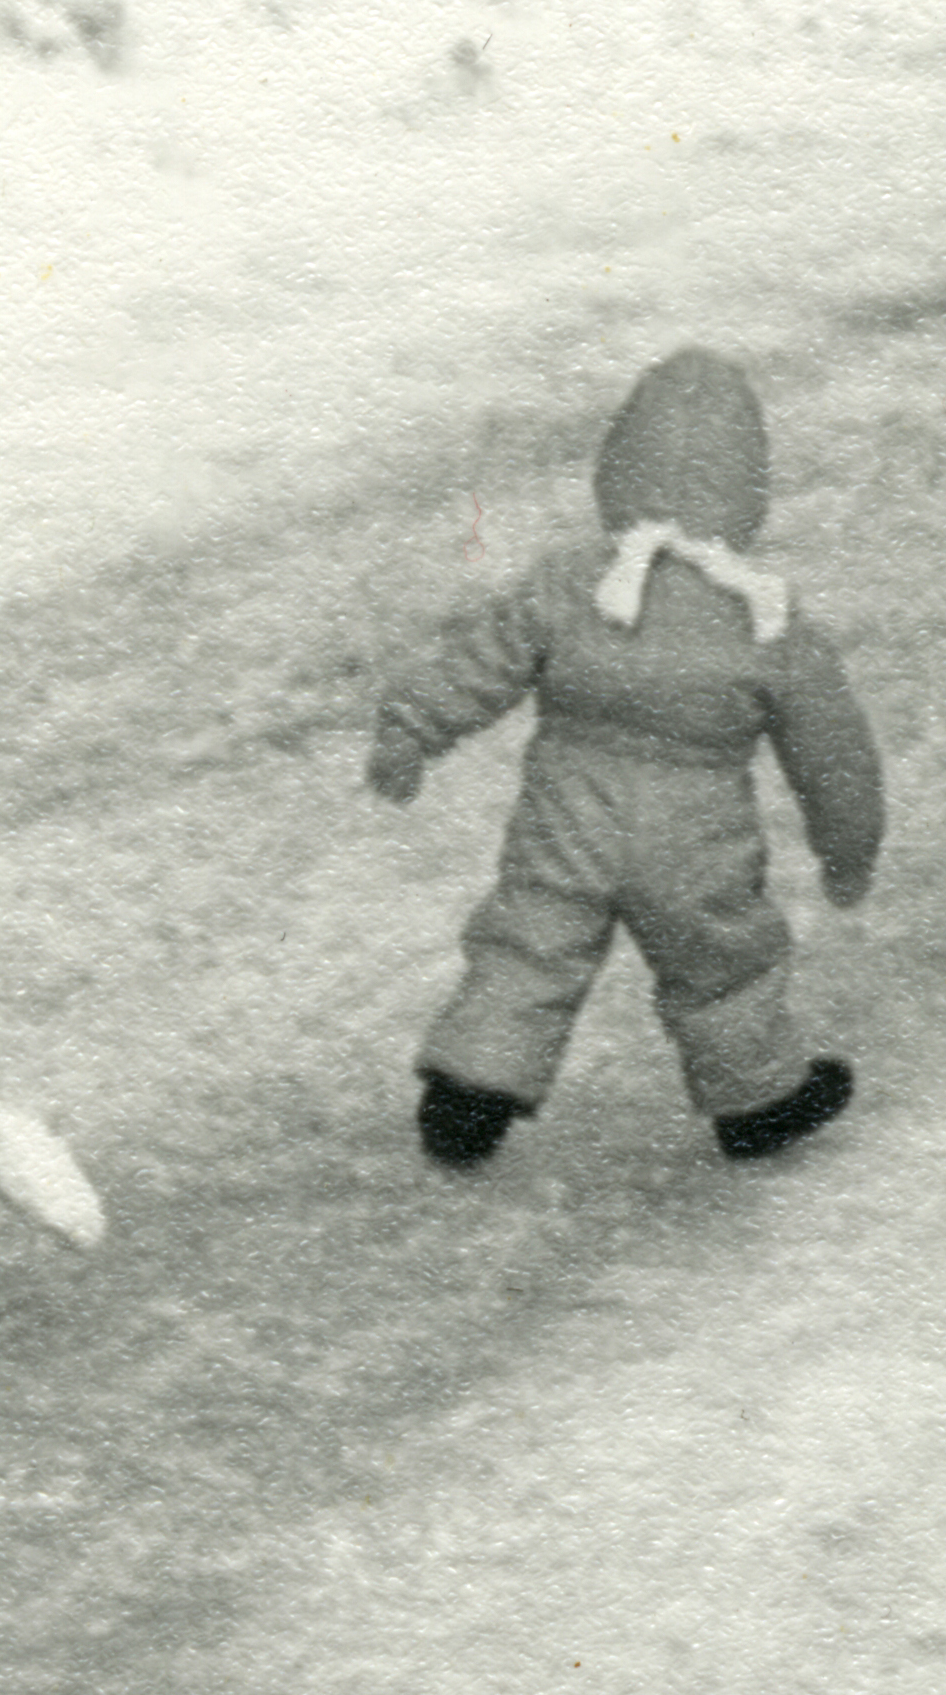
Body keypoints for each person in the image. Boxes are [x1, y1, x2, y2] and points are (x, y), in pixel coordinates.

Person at [368, 345, 885, 1167]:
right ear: (748, 489)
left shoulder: (571, 581)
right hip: (698, 834)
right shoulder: (766, 616)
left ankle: (470, 1091)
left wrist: (411, 730)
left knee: (530, 940)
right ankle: (759, 1100)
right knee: (722, 964)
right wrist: (848, 850)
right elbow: (834, 754)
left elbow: (484, 659)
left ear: (617, 469)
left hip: (567, 811)